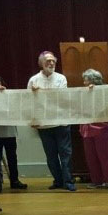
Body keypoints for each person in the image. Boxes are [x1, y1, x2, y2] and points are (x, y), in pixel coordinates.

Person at [27, 51, 75, 191]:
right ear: (41, 63)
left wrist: (40, 92)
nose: (51, 63)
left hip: (61, 122)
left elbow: (60, 97)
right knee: (51, 156)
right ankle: (58, 181)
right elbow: (29, 102)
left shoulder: (61, 78)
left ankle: (68, 181)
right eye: (48, 61)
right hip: (44, 124)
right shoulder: (33, 80)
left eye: (53, 61)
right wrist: (33, 119)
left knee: (66, 154)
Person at [80, 69, 108, 189]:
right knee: (91, 156)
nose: (84, 83)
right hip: (88, 127)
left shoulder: (105, 91)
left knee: (106, 156)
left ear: (94, 81)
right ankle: (97, 181)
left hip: (103, 127)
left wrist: (96, 92)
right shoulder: (83, 92)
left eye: (86, 80)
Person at [0, 74, 27, 190]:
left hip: (9, 131)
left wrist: (5, 93)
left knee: (12, 157)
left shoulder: (8, 95)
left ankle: (14, 181)